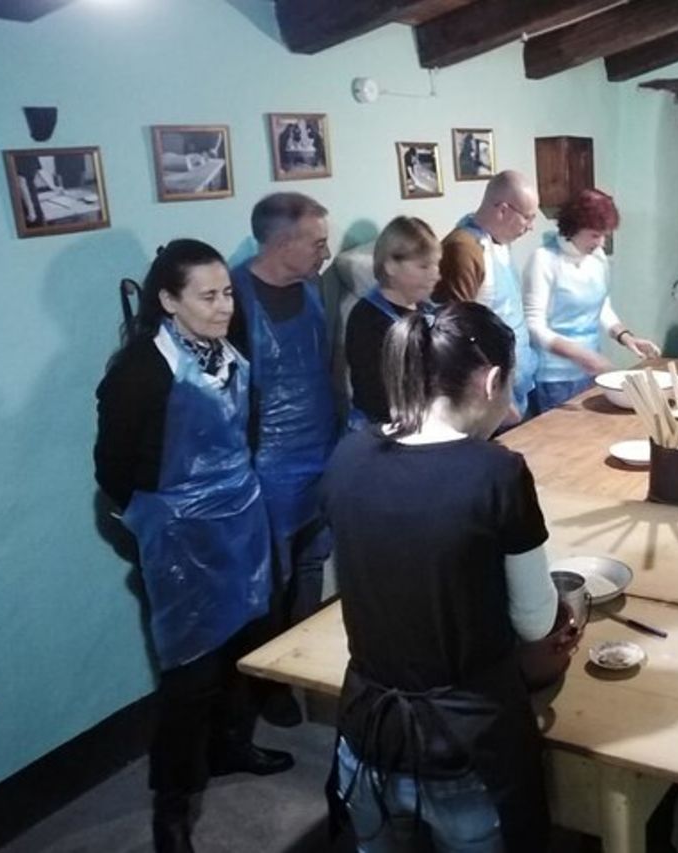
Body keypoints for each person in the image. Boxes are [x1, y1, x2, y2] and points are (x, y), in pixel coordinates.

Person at [324, 301, 579, 851]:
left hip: (367, 733)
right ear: (491, 381)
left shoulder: (348, 455)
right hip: (465, 746)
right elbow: (535, 621)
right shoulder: (496, 473)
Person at [95, 240, 292, 853]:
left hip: (241, 520)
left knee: (244, 645)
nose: (223, 306)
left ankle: (231, 747)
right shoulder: (139, 373)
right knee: (189, 676)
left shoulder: (228, 351)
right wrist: (160, 519)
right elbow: (113, 470)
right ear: (168, 301)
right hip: (182, 535)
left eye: (226, 292)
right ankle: (171, 811)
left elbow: (244, 429)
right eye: (207, 296)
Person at [229, 192, 338, 727]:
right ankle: (267, 684)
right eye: (317, 242)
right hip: (265, 464)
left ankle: (301, 664)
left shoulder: (311, 286)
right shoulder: (231, 298)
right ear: (281, 242)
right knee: (270, 579)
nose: (326, 251)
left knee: (312, 565)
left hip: (320, 446)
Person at [523, 188, 661, 412]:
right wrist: (579, 354)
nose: (601, 243)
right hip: (554, 379)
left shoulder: (597, 259)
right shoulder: (544, 260)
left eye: (604, 235)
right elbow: (534, 327)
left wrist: (627, 338)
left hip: (590, 372)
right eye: (595, 235)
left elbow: (602, 307)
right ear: (574, 228)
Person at [436, 169, 540, 421]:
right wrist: (499, 401)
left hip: (517, 380)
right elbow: (460, 336)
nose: (531, 226)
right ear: (503, 210)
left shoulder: (498, 242)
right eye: (527, 218)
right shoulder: (463, 249)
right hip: (493, 395)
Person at [345, 216, 441, 427]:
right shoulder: (367, 320)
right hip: (384, 434)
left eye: (436, 265)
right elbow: (377, 398)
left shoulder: (430, 310)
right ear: (390, 266)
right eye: (424, 267)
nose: (436, 275)